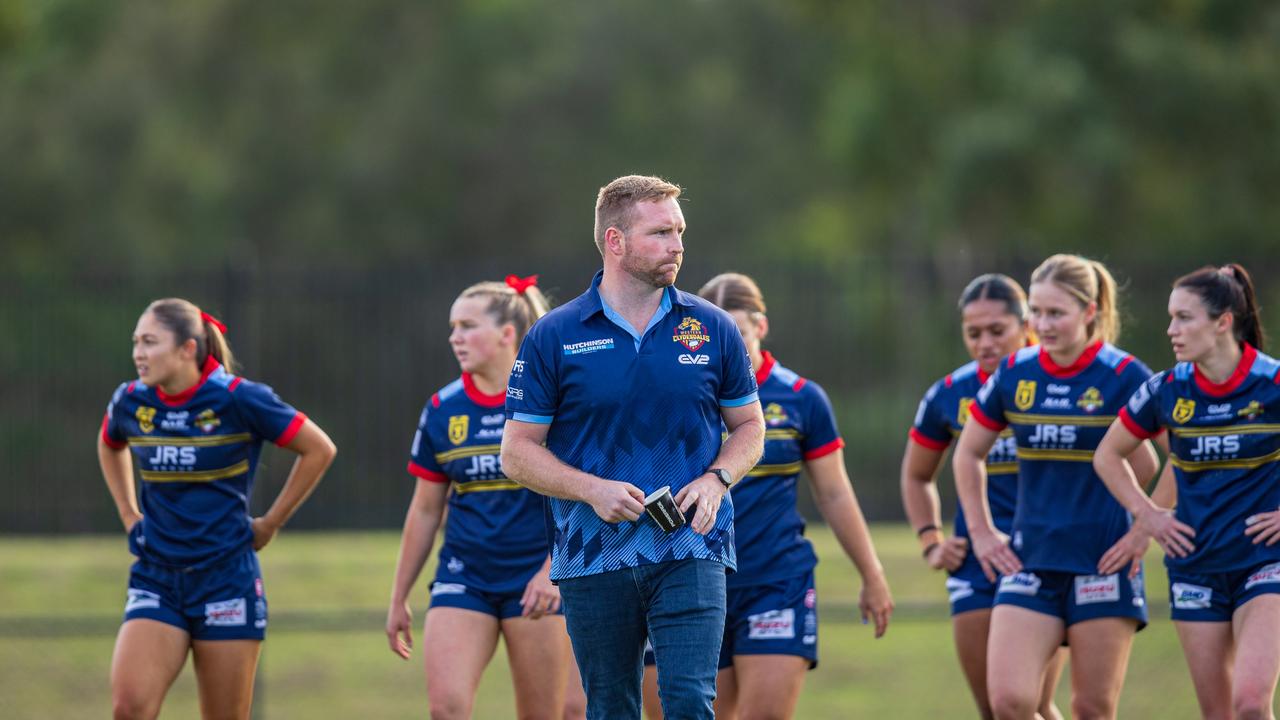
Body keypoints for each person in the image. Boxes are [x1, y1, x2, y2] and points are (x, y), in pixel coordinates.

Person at [501, 175, 766, 720]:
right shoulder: (555, 335)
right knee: (610, 707)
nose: (677, 245)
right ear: (615, 242)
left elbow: (750, 428)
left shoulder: (712, 327)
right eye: (661, 232)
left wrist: (716, 480)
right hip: (592, 552)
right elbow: (517, 452)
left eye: (680, 231)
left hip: (692, 546)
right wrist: (592, 490)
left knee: (690, 702)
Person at [638, 272, 892, 719]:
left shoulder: (800, 398)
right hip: (686, 575)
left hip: (774, 579)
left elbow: (833, 494)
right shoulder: (677, 392)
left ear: (761, 327)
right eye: (710, 331)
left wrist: (871, 574)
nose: (723, 341)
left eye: (734, 329)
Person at [98, 298, 337, 720]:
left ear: (188, 348)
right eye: (136, 342)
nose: (138, 352)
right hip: (157, 575)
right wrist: (127, 513)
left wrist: (271, 523)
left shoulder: (238, 399)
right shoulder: (131, 401)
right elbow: (109, 443)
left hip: (227, 581)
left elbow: (318, 448)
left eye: (150, 342)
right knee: (129, 707)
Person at [953, 254, 1163, 720]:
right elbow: (967, 454)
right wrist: (983, 533)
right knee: (1008, 702)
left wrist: (1143, 526)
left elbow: (1168, 459)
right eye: (1037, 313)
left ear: (1090, 313)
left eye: (1056, 313)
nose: (1042, 325)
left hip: (1103, 563)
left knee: (1090, 707)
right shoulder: (1016, 373)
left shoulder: (1124, 374)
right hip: (1032, 560)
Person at [385, 276, 586, 720]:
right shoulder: (443, 408)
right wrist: (399, 596)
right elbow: (424, 510)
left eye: (467, 326)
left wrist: (551, 571)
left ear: (506, 335)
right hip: (465, 575)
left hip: (537, 582)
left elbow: (583, 497)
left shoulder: (553, 402)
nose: (455, 337)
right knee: (447, 709)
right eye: (453, 326)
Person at [1095, 264, 1280, 720]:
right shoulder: (1166, 389)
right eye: (1171, 317)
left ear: (1223, 322)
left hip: (1264, 561)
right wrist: (1150, 514)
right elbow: (1107, 456)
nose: (1171, 329)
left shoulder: (1272, 383)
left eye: (1184, 318)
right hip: (1195, 566)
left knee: (1251, 703)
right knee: (1218, 713)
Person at [901, 273, 1066, 720]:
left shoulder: (1063, 386)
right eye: (974, 334)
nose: (985, 343)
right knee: (995, 710)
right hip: (976, 563)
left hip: (1048, 558)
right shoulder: (949, 395)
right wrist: (931, 540)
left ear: (1026, 325)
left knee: (1032, 704)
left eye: (998, 331)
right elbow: (917, 476)